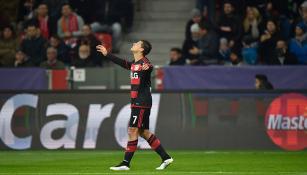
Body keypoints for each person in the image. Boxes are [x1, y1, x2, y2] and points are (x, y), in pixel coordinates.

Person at [96, 40, 173, 171]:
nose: (134, 44)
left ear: (141, 49)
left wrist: (148, 67)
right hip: (138, 102)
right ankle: (166, 158)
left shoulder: (145, 63)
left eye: (137, 43)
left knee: (132, 130)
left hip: (141, 101)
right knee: (143, 132)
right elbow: (123, 63)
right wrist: (107, 54)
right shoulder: (134, 64)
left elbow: (149, 67)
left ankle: (126, 163)